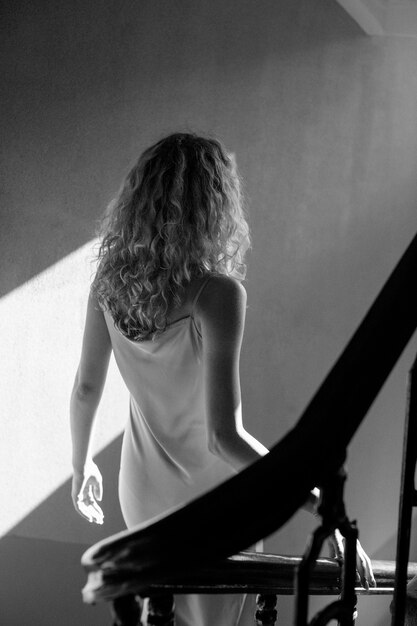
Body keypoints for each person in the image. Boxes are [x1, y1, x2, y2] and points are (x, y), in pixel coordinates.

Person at [70, 132, 374, 625]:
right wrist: (323, 507)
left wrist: (82, 466)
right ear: (214, 207)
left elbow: (86, 386)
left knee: (158, 613)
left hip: (141, 488)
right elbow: (222, 438)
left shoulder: (107, 283)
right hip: (214, 498)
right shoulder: (216, 294)